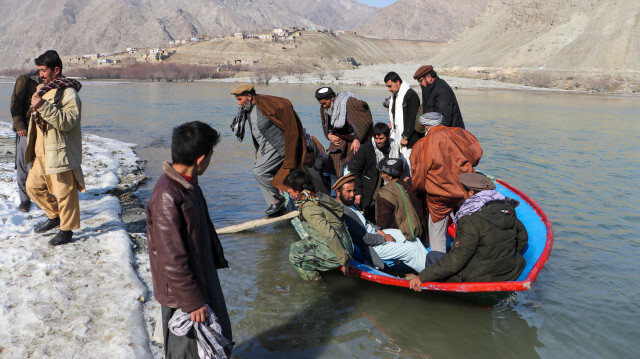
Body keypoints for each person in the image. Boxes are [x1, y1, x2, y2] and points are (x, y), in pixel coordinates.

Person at [146, 121, 233, 357]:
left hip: (200, 275)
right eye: (212, 155)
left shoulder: (187, 184)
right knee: (186, 349)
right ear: (201, 158)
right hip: (182, 294)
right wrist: (192, 301)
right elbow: (170, 257)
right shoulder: (167, 195)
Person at [409, 173, 528, 290]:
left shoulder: (470, 219)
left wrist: (423, 277)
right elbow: (523, 238)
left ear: (471, 192)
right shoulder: (507, 209)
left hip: (479, 279)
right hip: (509, 272)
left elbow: (456, 261)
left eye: (463, 191)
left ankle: (439, 293)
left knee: (432, 256)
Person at [25, 50, 84, 246]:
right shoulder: (41, 89)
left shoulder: (68, 92)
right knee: (32, 187)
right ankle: (54, 216)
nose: (40, 74)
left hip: (59, 151)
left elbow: (68, 122)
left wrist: (43, 106)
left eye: (43, 70)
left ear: (56, 69)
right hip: (41, 151)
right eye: (39, 70)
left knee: (65, 192)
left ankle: (66, 231)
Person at [410, 112, 483, 256]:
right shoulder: (459, 133)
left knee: (437, 231)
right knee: (467, 225)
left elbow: (418, 178)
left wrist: (418, 192)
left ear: (426, 126)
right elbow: (476, 155)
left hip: (440, 197)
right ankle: (471, 254)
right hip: (465, 190)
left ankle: (438, 262)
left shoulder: (421, 144)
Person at [230, 84, 306, 216]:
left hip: (278, 145)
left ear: (249, 96)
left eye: (240, 99)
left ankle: (277, 201)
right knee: (263, 172)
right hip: (264, 148)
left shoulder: (266, 104)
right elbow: (256, 133)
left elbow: (287, 114)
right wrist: (257, 153)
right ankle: (278, 205)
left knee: (259, 171)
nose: (238, 103)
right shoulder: (248, 108)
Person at [334, 174, 428, 274]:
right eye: (348, 191)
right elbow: (363, 239)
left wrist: (381, 232)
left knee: (411, 237)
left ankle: (430, 265)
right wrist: (384, 238)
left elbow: (366, 221)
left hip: (376, 234)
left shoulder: (350, 204)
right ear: (338, 192)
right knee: (411, 249)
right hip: (371, 247)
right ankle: (428, 275)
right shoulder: (342, 212)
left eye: (353, 191)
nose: (352, 195)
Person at [284, 169, 353, 282]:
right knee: (295, 247)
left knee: (295, 257)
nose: (288, 190)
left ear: (296, 189)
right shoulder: (316, 195)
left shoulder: (307, 207)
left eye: (289, 188)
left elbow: (329, 234)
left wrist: (343, 260)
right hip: (345, 239)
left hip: (340, 249)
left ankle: (317, 284)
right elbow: (339, 209)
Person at [348, 122, 409, 221]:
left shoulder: (395, 147)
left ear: (388, 136)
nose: (378, 141)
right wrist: (358, 192)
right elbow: (354, 170)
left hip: (389, 190)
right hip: (371, 192)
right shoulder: (365, 149)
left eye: (381, 139)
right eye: (376, 138)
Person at [314, 86, 372, 177]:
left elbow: (366, 120)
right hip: (339, 140)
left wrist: (357, 139)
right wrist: (329, 134)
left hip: (354, 139)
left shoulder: (349, 102)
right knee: (333, 169)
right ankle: (335, 190)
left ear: (332, 98)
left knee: (350, 170)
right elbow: (325, 124)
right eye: (321, 104)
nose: (324, 106)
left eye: (325, 103)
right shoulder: (324, 107)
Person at [375, 158, 426, 242]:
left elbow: (383, 223)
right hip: (420, 236)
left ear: (390, 176)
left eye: (384, 173)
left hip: (399, 239)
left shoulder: (386, 194)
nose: (382, 176)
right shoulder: (413, 188)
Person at [10, 71, 38, 212]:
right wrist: (19, 125)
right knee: (24, 164)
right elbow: (15, 103)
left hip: (41, 129)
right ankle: (25, 200)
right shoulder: (24, 80)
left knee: (38, 165)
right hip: (26, 129)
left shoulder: (51, 82)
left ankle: (41, 196)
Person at [384, 71, 422, 161]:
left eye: (390, 86)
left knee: (407, 162)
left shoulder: (410, 95)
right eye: (387, 87)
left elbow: (413, 117)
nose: (389, 89)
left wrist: (405, 136)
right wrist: (392, 123)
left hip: (408, 137)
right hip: (397, 134)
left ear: (397, 82)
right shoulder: (395, 96)